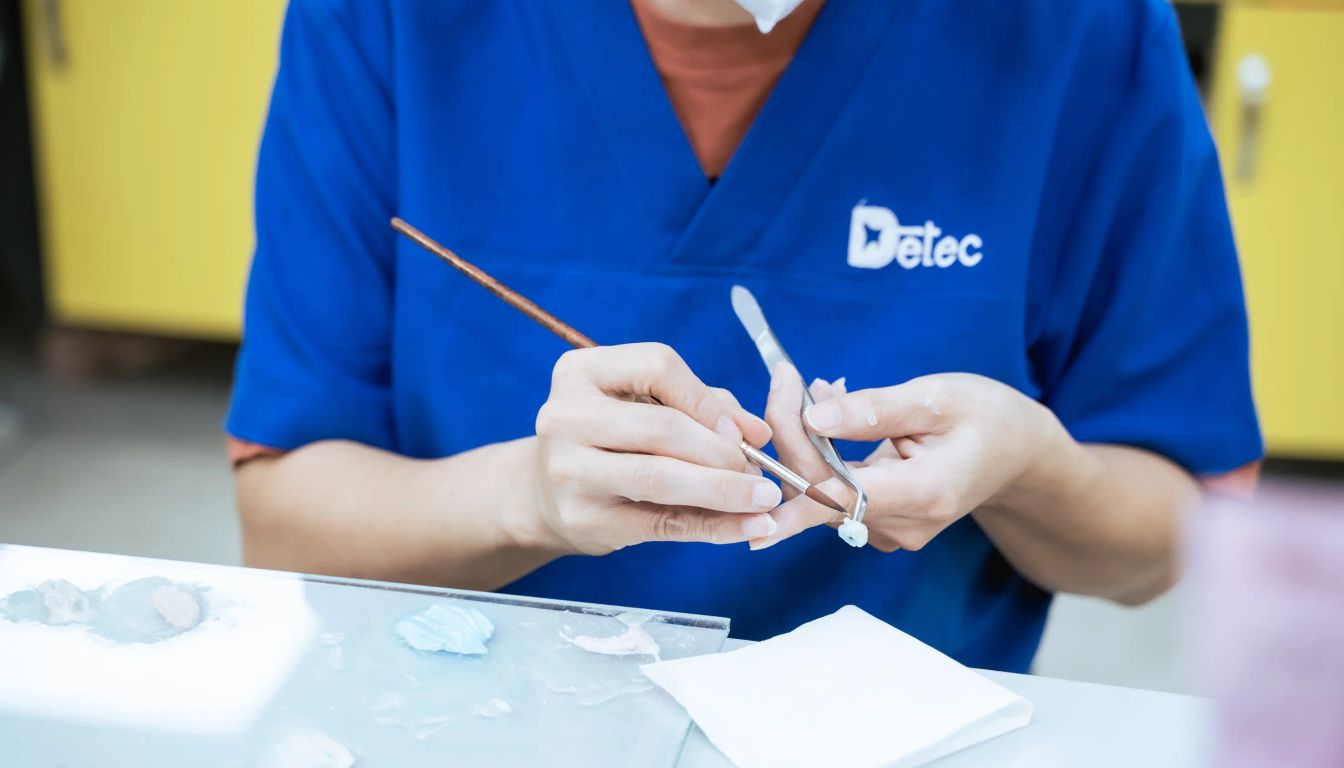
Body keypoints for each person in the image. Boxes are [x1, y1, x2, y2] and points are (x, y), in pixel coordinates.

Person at [227, 0, 1261, 672]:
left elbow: (1158, 543)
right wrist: (526, 497)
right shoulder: (388, 23)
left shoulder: (1079, 32)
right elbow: (286, 529)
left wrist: (1029, 469)